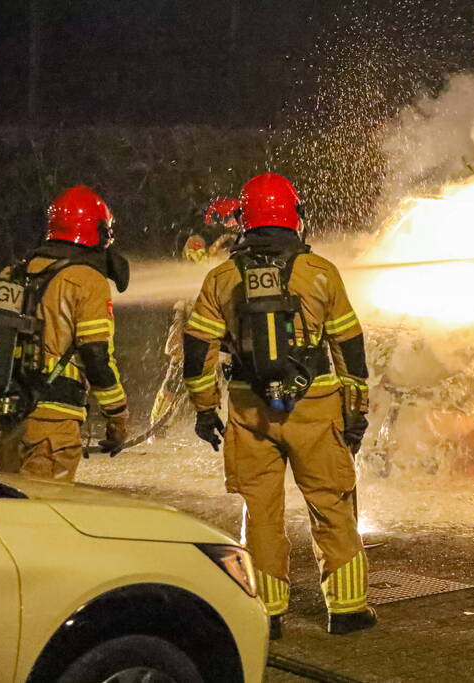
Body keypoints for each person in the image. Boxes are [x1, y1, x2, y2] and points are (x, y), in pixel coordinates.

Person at [182, 173, 373, 638]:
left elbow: (196, 349)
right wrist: (356, 410)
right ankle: (347, 610)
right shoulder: (321, 272)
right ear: (295, 217)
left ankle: (267, 613)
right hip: (316, 406)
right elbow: (349, 346)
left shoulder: (222, 277)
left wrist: (205, 409)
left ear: (244, 220)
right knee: (331, 503)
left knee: (261, 512)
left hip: (250, 411)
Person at [0, 185, 130, 480]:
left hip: (11, 414)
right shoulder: (88, 280)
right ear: (98, 231)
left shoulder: (15, 273)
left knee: (13, 511)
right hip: (55, 418)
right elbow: (96, 356)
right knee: (44, 516)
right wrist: (117, 414)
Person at [149, 197, 241, 427]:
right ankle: (158, 425)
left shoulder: (236, 242)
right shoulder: (196, 242)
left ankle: (230, 421)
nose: (235, 223)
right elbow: (206, 267)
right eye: (231, 218)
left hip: (223, 315)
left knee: (231, 373)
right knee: (177, 375)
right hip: (191, 315)